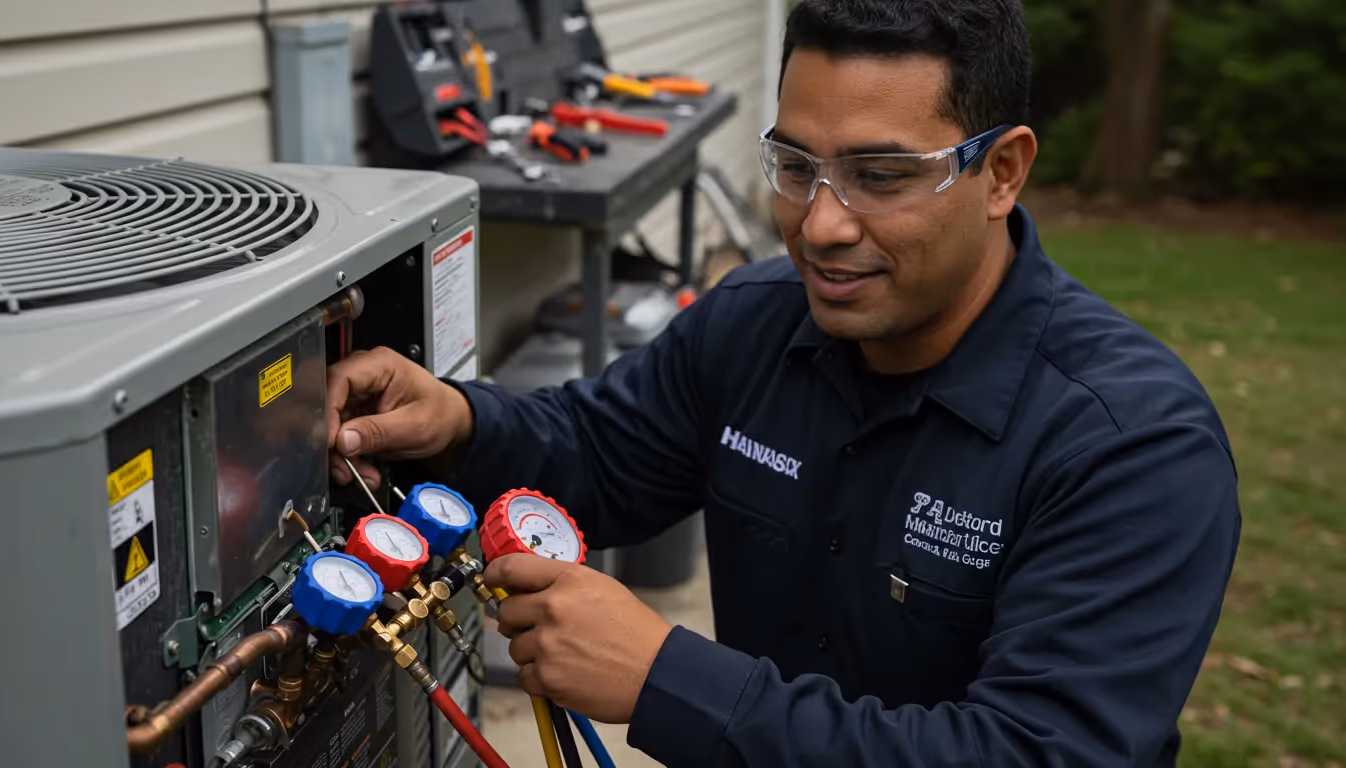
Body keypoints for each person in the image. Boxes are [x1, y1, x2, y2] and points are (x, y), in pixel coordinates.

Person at [326, 0, 1241, 764]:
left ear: (1001, 173)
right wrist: (454, 423)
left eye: (881, 175)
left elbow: (1036, 752)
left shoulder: (1131, 446)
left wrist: (665, 678)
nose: (821, 225)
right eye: (797, 167)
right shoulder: (759, 322)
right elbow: (602, 454)